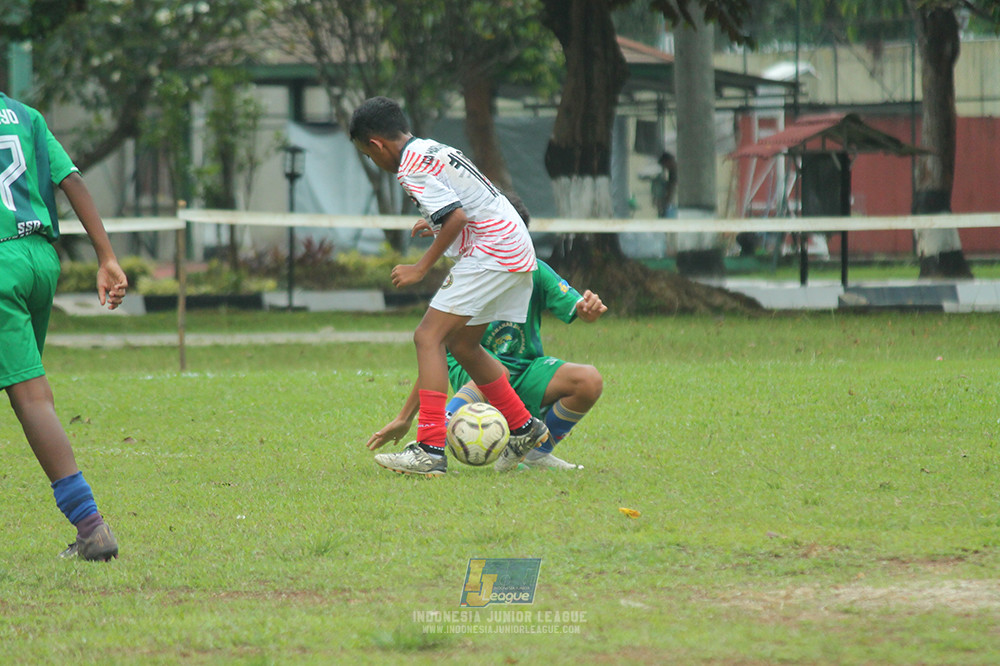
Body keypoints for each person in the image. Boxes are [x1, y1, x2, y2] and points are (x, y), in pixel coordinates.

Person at [350, 96, 550, 476]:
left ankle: (429, 448)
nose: (373, 161)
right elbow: (466, 202)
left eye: (367, 154)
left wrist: (420, 267)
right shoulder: (431, 148)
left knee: (428, 337)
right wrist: (435, 221)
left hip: (492, 251)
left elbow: (457, 216)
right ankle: (523, 428)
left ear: (376, 144)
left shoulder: (410, 168)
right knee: (462, 343)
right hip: (515, 246)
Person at [0, 92, 127, 560]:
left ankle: (91, 525)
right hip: (37, 260)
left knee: (29, 396)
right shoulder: (27, 116)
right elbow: (70, 180)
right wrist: (106, 257)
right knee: (22, 385)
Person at [651, 151, 678, 218]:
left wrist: (667, 201)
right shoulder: (672, 172)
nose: (665, 168)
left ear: (668, 162)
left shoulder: (675, 172)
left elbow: (672, 188)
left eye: (664, 165)